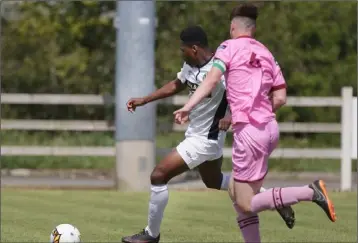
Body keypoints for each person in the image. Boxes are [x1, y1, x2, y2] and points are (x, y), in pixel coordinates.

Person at [173, 5, 336, 243]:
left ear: (232, 27)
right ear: (253, 28)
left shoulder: (227, 48)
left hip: (249, 134)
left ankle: (309, 192)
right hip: (269, 130)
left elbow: (211, 80)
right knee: (235, 193)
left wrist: (188, 107)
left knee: (246, 202)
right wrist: (257, 112)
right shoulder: (266, 52)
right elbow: (280, 98)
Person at [122, 25, 295, 243]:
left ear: (194, 48)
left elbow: (245, 94)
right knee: (214, 181)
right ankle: (276, 198)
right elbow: (177, 84)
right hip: (199, 136)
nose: (180, 52)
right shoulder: (190, 65)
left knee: (158, 176)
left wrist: (230, 116)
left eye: (182, 48)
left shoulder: (220, 69)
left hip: (206, 140)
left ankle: (151, 234)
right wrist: (144, 99)